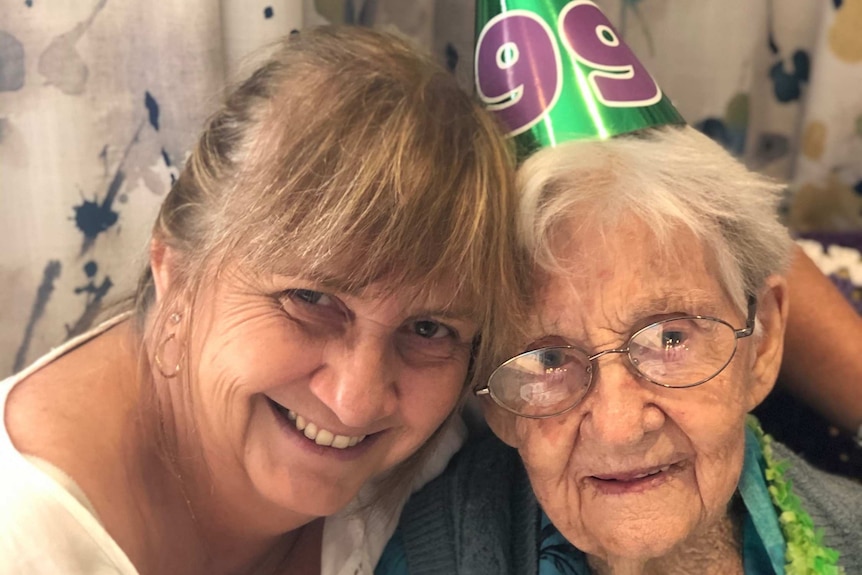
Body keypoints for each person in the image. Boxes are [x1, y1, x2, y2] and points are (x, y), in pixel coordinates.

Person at [0, 26, 527, 575]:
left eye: (427, 330)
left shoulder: (449, 482)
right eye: (310, 298)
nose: (356, 401)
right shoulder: (20, 540)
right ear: (175, 270)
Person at [380, 126, 862, 574]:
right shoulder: (431, 556)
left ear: (762, 343)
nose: (619, 429)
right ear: (495, 402)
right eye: (548, 360)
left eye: (670, 338)